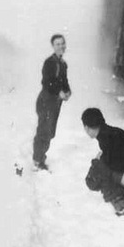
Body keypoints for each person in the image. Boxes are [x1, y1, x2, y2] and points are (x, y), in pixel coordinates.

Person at [32, 34, 71, 170]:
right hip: (46, 100)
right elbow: (46, 82)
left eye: (62, 44)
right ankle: (37, 160)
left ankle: (41, 157)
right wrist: (58, 92)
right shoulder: (49, 62)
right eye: (57, 44)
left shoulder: (63, 64)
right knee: (44, 130)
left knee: (50, 132)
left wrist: (67, 91)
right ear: (53, 47)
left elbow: (64, 81)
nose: (60, 46)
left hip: (55, 103)